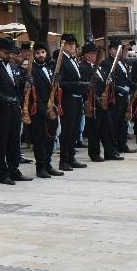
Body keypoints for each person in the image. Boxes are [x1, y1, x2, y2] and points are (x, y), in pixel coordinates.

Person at [0, 37, 29, 184]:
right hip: (2, 112)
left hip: (15, 110)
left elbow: (17, 86)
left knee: (14, 142)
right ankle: (2, 174)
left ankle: (14, 170)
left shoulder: (13, 67)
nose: (9, 56)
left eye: (11, 53)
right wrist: (7, 99)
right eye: (6, 53)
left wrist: (26, 81)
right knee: (1, 144)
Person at [25, 42, 61, 179]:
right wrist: (43, 109)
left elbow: (54, 89)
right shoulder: (31, 70)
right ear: (34, 54)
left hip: (52, 108)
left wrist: (58, 81)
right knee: (40, 141)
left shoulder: (50, 68)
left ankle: (48, 164)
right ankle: (40, 167)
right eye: (38, 53)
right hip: (39, 111)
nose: (41, 55)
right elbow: (34, 94)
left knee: (51, 138)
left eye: (43, 52)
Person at [55, 34, 87, 172]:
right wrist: (78, 84)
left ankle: (71, 157)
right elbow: (60, 83)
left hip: (77, 98)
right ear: (63, 45)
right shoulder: (61, 60)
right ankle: (64, 160)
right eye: (69, 44)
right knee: (67, 131)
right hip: (67, 100)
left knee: (75, 131)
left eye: (73, 44)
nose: (72, 46)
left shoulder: (73, 60)